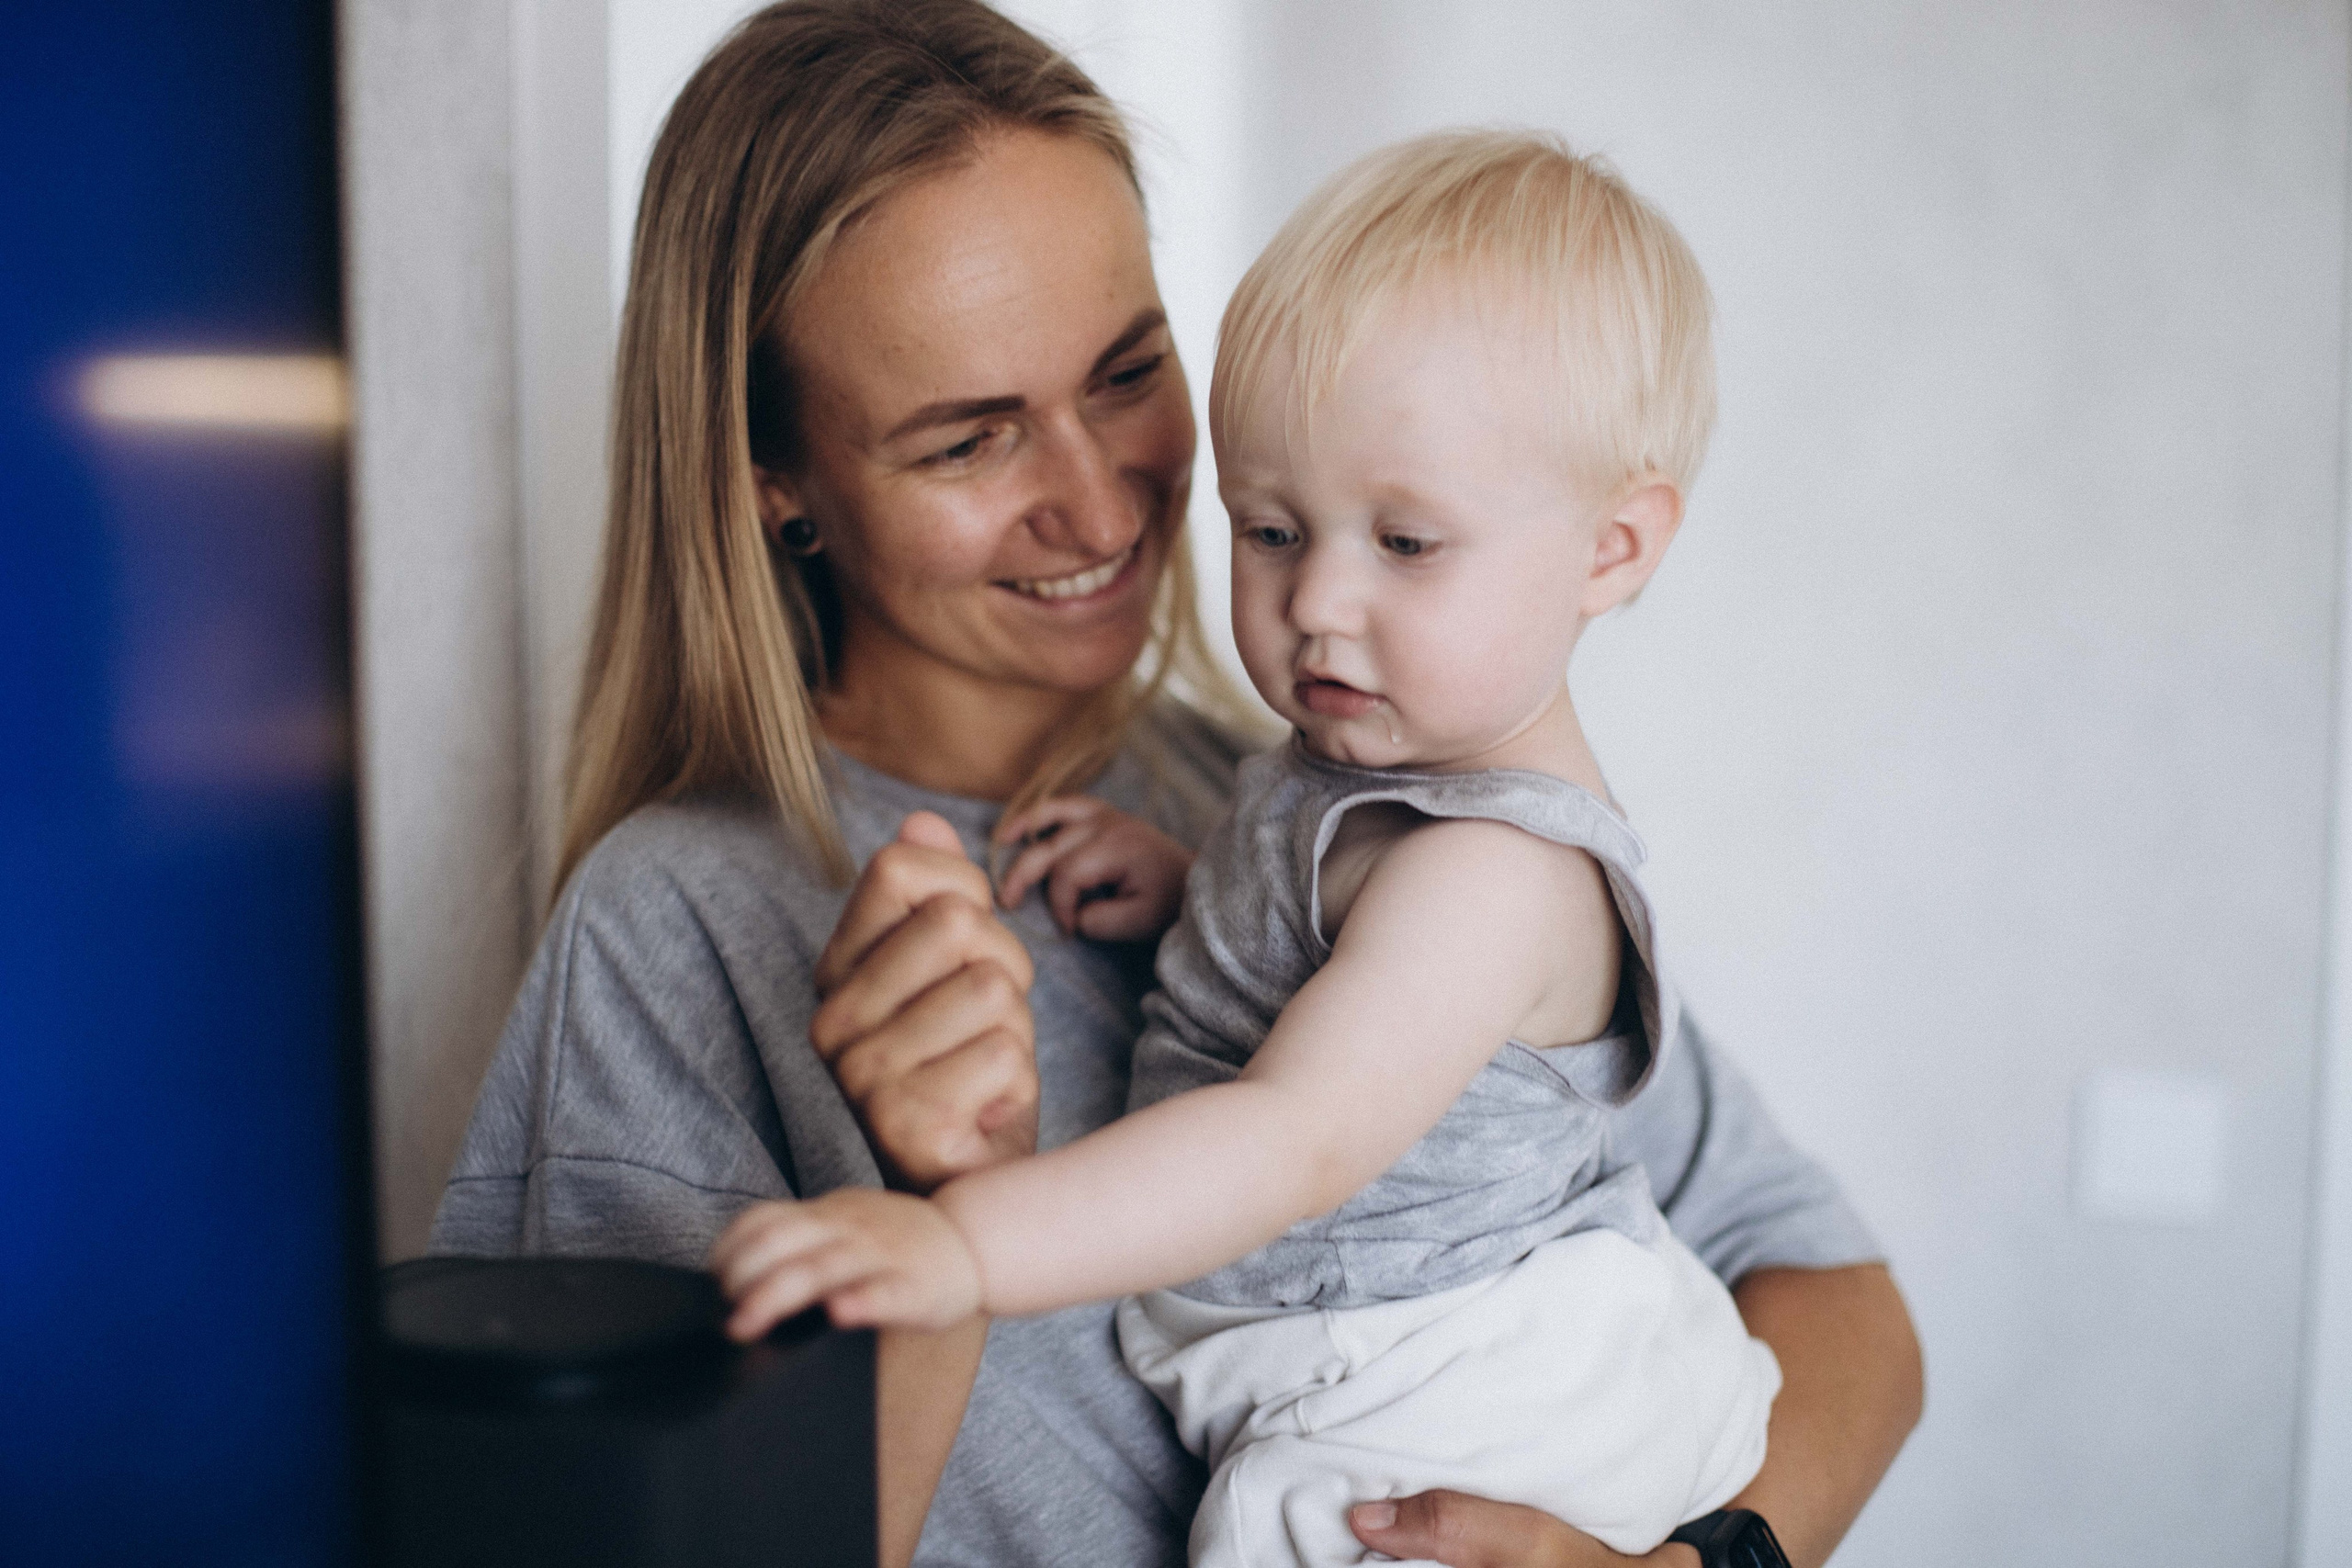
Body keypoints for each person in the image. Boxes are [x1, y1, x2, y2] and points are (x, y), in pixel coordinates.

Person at [429, 4, 1923, 1566]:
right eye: (967, 442)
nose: (1095, 505)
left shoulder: (1333, 800)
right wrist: (944, 1207)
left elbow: (1831, 1293)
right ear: (777, 486)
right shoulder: (676, 930)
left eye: (1128, 370)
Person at [710, 129, 1785, 1567]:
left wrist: (963, 1248)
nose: (1320, 603)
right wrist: (1191, 889)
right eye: (1271, 528)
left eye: (1407, 545)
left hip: (1438, 1412)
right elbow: (1330, 925)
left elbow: (1295, 1135)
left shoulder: (1497, 879)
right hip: (1356, 1372)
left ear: (1613, 549)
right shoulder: (1353, 772)